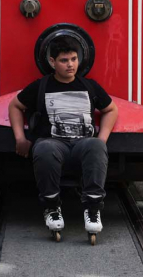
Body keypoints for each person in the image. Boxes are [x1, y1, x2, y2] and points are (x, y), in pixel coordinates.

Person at [9, 35, 118, 238]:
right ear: (52, 62)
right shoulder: (41, 86)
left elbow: (111, 109)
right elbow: (15, 105)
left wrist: (101, 139)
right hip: (52, 143)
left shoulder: (89, 86)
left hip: (82, 144)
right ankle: (51, 207)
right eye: (64, 60)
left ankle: (93, 210)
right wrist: (19, 138)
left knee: (96, 147)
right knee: (43, 148)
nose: (70, 65)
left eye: (74, 59)